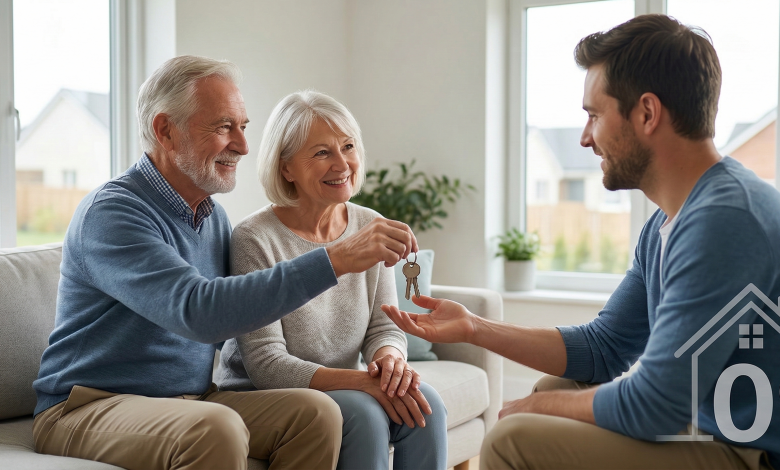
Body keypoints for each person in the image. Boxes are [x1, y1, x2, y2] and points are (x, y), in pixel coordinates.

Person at [383, 14, 780, 470]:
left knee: (513, 439)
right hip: (711, 430)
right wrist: (475, 327)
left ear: (647, 113)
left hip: (753, 451)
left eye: (594, 114)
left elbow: (655, 404)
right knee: (557, 388)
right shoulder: (667, 225)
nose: (585, 137)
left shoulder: (725, 220)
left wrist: (534, 410)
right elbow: (604, 347)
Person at [32, 56, 419, 470]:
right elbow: (199, 311)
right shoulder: (113, 214)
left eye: (243, 126)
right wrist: (336, 259)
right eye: (223, 127)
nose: (243, 145)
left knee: (317, 413)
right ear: (166, 130)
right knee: (216, 427)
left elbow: (239, 311)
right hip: (89, 405)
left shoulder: (211, 217)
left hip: (192, 399)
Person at [215, 90, 448, 470]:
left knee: (427, 406)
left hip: (339, 385)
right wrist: (360, 383)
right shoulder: (254, 238)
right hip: (262, 394)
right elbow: (266, 363)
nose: (342, 163)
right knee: (364, 415)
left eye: (348, 146)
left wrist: (390, 362)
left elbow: (384, 326)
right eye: (321, 152)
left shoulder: (369, 224)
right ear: (286, 167)